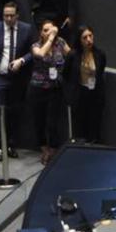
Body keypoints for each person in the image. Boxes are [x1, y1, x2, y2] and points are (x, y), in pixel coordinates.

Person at [0, 3, 33, 162]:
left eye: (12, 15)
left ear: (17, 15)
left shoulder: (26, 29)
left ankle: (11, 144)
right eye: (6, 15)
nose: (9, 18)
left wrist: (22, 60)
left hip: (18, 78)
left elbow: (32, 51)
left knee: (14, 112)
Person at [26, 20, 69, 165]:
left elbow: (72, 55)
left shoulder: (61, 43)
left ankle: (53, 150)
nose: (49, 32)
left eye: (51, 30)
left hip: (55, 89)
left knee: (52, 123)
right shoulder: (36, 46)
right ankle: (44, 149)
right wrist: (51, 38)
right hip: (37, 89)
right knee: (39, 122)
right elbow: (40, 54)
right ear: (41, 33)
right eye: (45, 30)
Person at [65, 26, 106, 143]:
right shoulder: (73, 55)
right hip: (79, 94)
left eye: (90, 36)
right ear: (79, 40)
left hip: (95, 94)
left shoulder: (100, 54)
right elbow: (65, 74)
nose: (89, 40)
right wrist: (69, 95)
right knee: (80, 126)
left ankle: (95, 145)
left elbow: (100, 71)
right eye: (85, 37)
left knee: (95, 124)